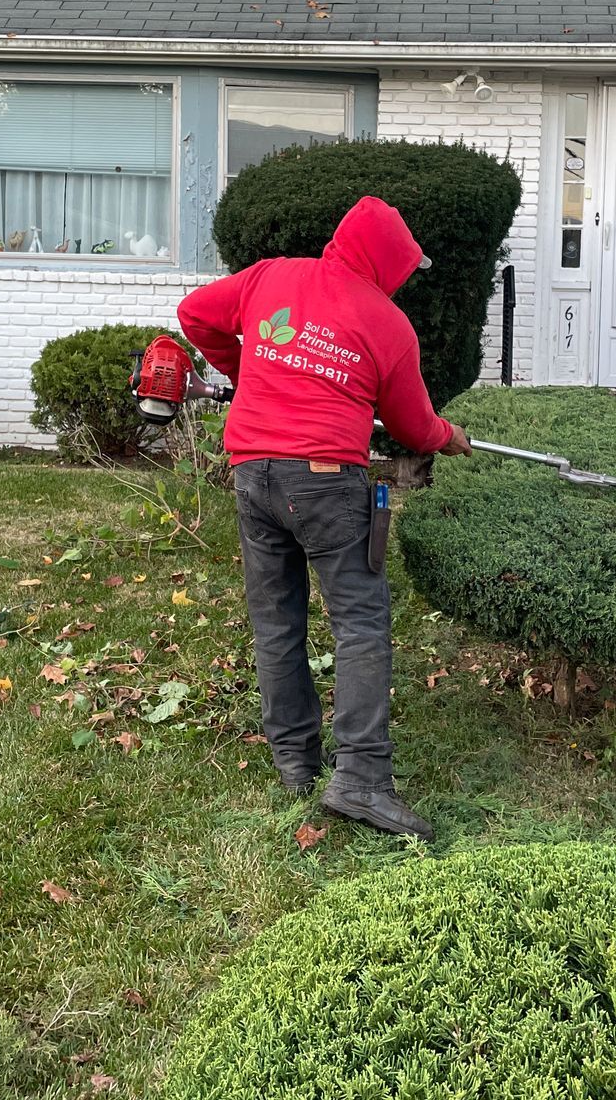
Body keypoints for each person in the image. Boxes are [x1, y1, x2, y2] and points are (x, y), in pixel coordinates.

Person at [177, 196, 471, 841]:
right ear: (389, 261)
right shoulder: (388, 323)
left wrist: (247, 371)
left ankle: (294, 764)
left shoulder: (270, 276)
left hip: (252, 475)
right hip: (328, 483)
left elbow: (194, 314)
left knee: (277, 621)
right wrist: (450, 436)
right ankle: (361, 781)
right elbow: (412, 426)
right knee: (361, 625)